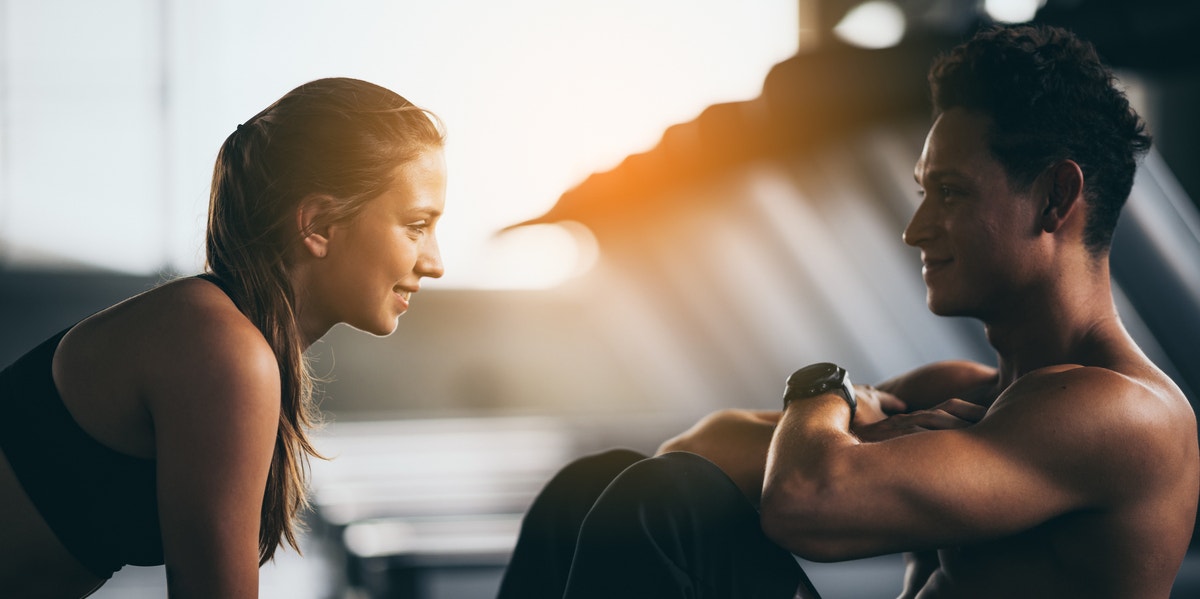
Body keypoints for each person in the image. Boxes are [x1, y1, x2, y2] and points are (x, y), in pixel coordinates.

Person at [498, 24, 1199, 599]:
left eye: (949, 192)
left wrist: (827, 392)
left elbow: (804, 497)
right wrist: (855, 429)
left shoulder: (1123, 413)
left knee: (656, 501)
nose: (916, 227)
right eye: (924, 191)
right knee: (594, 489)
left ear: (1054, 198)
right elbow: (694, 452)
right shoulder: (960, 390)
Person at [0, 77, 446, 598]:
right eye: (417, 226)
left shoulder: (223, 331)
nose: (435, 262)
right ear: (319, 224)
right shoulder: (223, 350)